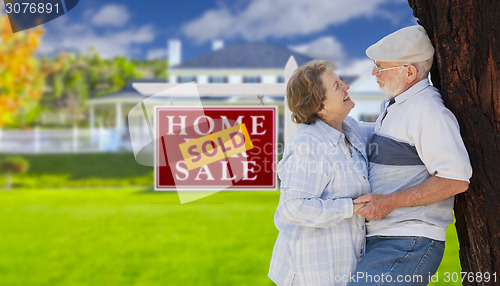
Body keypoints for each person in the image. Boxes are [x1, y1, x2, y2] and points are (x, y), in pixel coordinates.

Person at [349, 25, 473, 285]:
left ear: (409, 72)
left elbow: (455, 180)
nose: (374, 73)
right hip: (388, 239)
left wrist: (389, 202)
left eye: (380, 67)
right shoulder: (393, 106)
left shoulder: (429, 113)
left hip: (409, 241)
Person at [268, 60, 371, 286]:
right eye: (337, 85)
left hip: (342, 268)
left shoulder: (350, 130)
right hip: (311, 272)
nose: (347, 87)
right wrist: (351, 207)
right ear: (320, 108)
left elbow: (389, 128)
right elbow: (292, 208)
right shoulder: (309, 145)